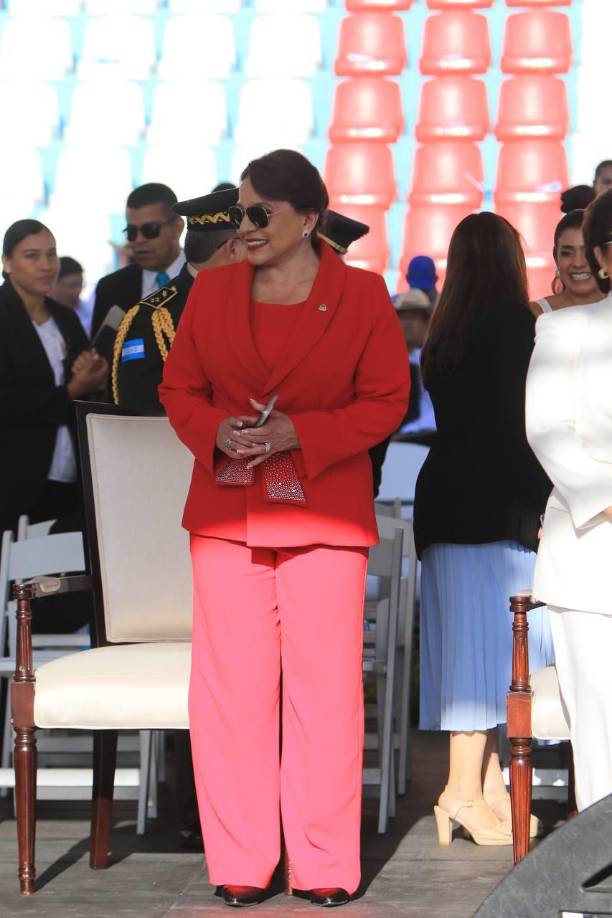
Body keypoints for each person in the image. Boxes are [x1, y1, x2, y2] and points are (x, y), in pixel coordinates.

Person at [159, 149, 409, 907]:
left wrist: (303, 431)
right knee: (230, 695)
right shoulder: (212, 292)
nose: (247, 225)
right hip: (227, 512)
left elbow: (387, 399)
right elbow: (180, 387)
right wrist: (214, 429)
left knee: (325, 694)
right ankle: (240, 860)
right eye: (242, 212)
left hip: (325, 517)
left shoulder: (363, 296)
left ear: (308, 217)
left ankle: (325, 864)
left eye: (260, 212)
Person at [413, 213, 554, 847]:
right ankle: (462, 791)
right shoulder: (517, 324)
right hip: (495, 504)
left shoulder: (445, 330)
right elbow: (521, 429)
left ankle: (489, 782)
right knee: (490, 657)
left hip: (446, 499)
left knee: (472, 650)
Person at [525, 188, 612, 811]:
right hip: (592, 556)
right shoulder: (564, 327)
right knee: (603, 735)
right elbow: (548, 428)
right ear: (605, 257)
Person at [0, 220, 107, 536]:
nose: (46, 265)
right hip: (16, 476)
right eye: (32, 256)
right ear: (7, 262)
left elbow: (85, 380)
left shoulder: (64, 317)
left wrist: (93, 374)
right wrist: (71, 389)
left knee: (67, 575)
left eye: (52, 254)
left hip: (71, 470)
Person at [112, 187, 245, 410]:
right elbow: (141, 414)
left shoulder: (255, 301)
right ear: (233, 248)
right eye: (252, 243)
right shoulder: (153, 318)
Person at [91, 183, 185, 336]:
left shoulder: (203, 276)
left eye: (150, 230)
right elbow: (102, 354)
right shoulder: (110, 289)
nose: (139, 240)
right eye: (132, 232)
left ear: (177, 227)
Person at [529, 209, 604, 317]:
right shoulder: (534, 314)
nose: (578, 263)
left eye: (588, 252)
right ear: (556, 257)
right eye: (567, 253)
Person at [394, 289, 436, 446]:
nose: (408, 323)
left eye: (414, 317)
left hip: (426, 437)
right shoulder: (386, 361)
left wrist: (411, 430)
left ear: (426, 323)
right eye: (403, 317)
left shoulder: (436, 360)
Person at [49, 256, 93, 336]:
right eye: (73, 285)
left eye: (81, 284)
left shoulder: (89, 310)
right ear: (53, 284)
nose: (78, 290)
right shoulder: (45, 316)